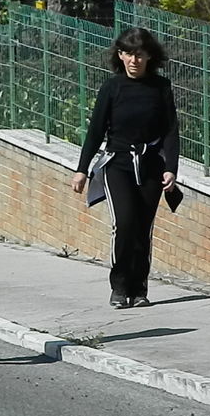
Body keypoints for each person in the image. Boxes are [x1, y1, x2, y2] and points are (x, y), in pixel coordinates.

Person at [71, 27, 179, 309]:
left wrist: (171, 168)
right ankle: (119, 287)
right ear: (120, 55)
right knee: (125, 224)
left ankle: (139, 288)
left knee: (143, 228)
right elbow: (95, 131)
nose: (134, 60)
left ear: (149, 57)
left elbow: (170, 131)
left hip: (151, 166)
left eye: (140, 54)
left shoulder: (161, 87)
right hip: (117, 164)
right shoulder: (112, 88)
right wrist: (82, 169)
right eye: (129, 54)